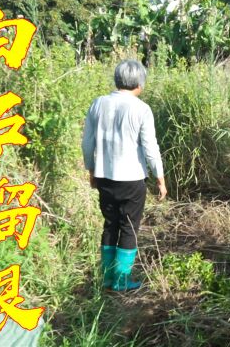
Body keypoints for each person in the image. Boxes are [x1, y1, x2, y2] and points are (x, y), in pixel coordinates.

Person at [82, 60, 167, 291]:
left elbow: (87, 144)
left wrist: (91, 170)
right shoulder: (141, 109)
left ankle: (107, 278)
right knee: (129, 227)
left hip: (104, 177)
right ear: (139, 83)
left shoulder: (98, 104)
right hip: (131, 180)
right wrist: (160, 178)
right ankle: (122, 280)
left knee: (110, 225)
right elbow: (150, 147)